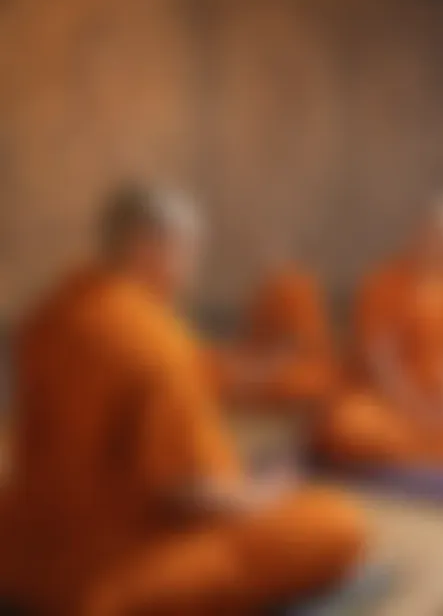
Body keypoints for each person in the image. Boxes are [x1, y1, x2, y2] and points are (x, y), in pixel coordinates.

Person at [0, 184, 366, 615]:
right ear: (150, 248)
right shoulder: (153, 340)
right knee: (340, 523)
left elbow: (192, 367)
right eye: (188, 251)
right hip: (113, 569)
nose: (190, 267)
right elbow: (186, 492)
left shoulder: (52, 311)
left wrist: (259, 368)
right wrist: (260, 496)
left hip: (23, 547)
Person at [314, 195, 443, 468]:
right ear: (419, 233)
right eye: (437, 235)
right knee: (346, 425)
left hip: (435, 394)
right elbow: (382, 362)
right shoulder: (383, 282)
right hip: (389, 397)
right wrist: (418, 409)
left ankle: (433, 442)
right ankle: (433, 443)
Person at [235, 252, 339, 410]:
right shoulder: (264, 293)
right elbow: (250, 345)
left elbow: (300, 345)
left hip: (295, 373)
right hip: (261, 370)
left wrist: (264, 370)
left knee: (307, 380)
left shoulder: (299, 289)